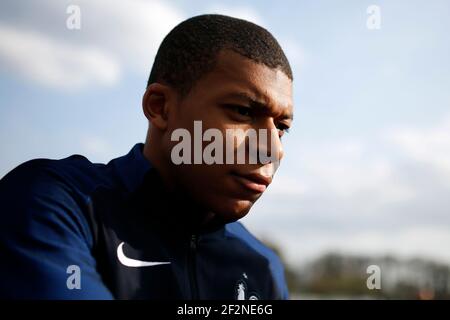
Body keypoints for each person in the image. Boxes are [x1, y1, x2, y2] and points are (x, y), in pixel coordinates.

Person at [0, 14, 294, 299]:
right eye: (242, 111)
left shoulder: (263, 267)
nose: (272, 149)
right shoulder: (55, 202)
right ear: (161, 107)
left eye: (281, 127)